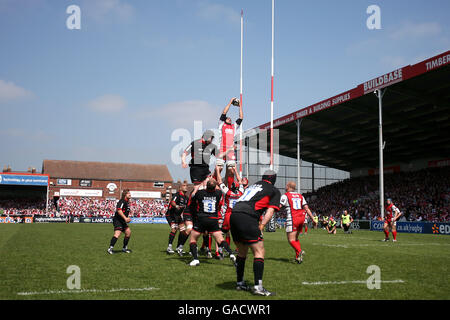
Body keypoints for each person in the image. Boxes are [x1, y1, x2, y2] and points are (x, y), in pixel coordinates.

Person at [229, 170, 281, 296]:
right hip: (248, 216)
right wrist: (262, 225)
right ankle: (258, 287)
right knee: (259, 251)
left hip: (234, 214)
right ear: (274, 179)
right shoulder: (274, 190)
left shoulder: (253, 186)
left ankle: (240, 283)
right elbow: (270, 211)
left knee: (242, 252)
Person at [187, 178, 236, 267]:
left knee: (193, 240)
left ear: (206, 186)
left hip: (202, 218)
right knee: (220, 240)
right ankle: (231, 254)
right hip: (213, 219)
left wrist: (198, 185)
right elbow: (218, 187)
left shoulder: (200, 193)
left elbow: (193, 195)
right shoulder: (218, 193)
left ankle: (195, 259)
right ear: (215, 187)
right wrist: (214, 180)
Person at [279, 181, 316, 264]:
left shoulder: (285, 195)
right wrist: (313, 218)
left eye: (286, 185)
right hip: (301, 219)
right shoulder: (300, 196)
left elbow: (279, 206)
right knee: (296, 239)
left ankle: (300, 251)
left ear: (288, 186)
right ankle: (298, 257)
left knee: (291, 240)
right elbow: (306, 208)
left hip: (292, 218)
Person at [216, 166, 244, 254]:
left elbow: (220, 182)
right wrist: (235, 171)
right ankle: (239, 250)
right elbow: (240, 181)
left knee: (222, 232)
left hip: (229, 214)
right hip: (238, 215)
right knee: (236, 233)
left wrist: (217, 171)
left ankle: (220, 249)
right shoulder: (241, 192)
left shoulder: (228, 192)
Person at [217, 98, 243, 188]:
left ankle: (228, 189)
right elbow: (224, 112)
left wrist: (240, 107)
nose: (229, 118)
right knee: (219, 168)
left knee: (231, 170)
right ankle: (216, 186)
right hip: (222, 148)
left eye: (230, 118)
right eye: (227, 118)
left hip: (231, 150)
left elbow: (241, 118)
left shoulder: (233, 126)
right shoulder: (221, 124)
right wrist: (230, 102)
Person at [166, 182, 189, 254]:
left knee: (183, 232)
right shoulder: (177, 195)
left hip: (178, 216)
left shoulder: (186, 198)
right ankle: (169, 247)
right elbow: (172, 202)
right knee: (174, 229)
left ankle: (179, 247)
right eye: (184, 186)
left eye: (186, 186)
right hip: (171, 215)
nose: (186, 187)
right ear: (180, 188)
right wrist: (176, 206)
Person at [107, 189, 132, 254]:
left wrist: (127, 218)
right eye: (128, 193)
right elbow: (119, 210)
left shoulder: (127, 202)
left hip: (122, 221)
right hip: (118, 220)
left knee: (128, 232)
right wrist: (125, 218)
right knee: (117, 233)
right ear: (125, 195)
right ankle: (110, 248)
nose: (130, 194)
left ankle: (124, 248)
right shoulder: (122, 201)